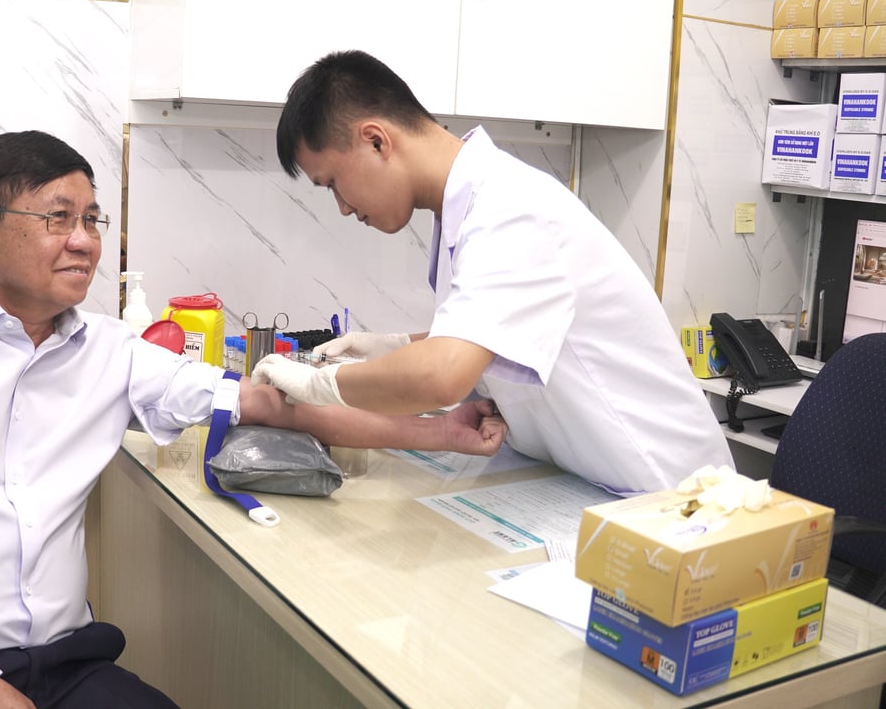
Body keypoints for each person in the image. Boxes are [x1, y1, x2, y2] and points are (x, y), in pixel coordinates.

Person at [0, 130, 506, 709]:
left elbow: (272, 403)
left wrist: (438, 430)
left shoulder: (109, 349)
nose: (84, 241)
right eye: (57, 218)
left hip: (62, 665)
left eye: (92, 219)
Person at [251, 50, 732, 496]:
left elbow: (443, 376)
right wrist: (394, 346)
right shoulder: (467, 209)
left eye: (332, 183)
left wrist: (321, 384)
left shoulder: (508, 208)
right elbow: (497, 333)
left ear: (376, 140)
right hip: (592, 482)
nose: (341, 206)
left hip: (674, 495)